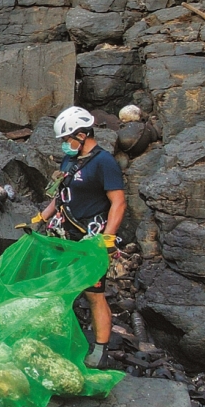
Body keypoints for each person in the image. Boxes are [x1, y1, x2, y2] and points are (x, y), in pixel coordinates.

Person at [31, 106, 127, 369]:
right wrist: (42, 218)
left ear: (83, 135)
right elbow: (61, 194)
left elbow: (118, 203)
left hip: (90, 239)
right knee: (59, 287)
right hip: (64, 235)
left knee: (94, 293)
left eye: (67, 139)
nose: (64, 145)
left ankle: (99, 349)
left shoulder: (104, 163)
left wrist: (107, 239)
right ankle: (59, 339)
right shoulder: (70, 160)